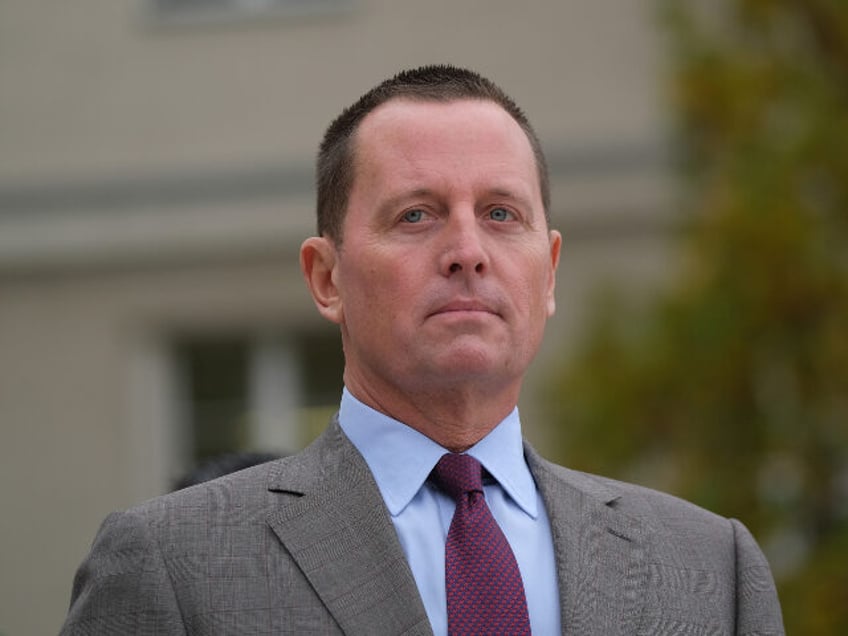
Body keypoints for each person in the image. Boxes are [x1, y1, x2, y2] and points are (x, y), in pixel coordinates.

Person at [61, 65, 784, 635]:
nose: (468, 251)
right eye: (417, 215)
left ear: (550, 270)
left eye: (501, 214)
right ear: (326, 276)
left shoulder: (709, 568)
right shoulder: (174, 563)